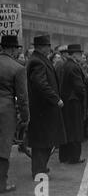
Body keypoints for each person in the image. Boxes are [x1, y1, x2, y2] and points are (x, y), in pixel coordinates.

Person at [26, 35, 66, 179]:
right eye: (48, 46)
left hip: (43, 108)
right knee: (41, 142)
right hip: (42, 108)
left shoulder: (39, 60)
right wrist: (55, 99)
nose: (50, 48)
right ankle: (38, 170)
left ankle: (41, 167)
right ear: (42, 47)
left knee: (45, 141)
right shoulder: (37, 62)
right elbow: (40, 84)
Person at [0, 36, 29, 193]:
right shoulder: (18, 68)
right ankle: (1, 184)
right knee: (3, 147)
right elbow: (23, 97)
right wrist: (25, 117)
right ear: (12, 49)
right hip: (5, 111)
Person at [59, 44, 87, 164]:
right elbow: (79, 87)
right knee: (75, 130)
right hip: (74, 102)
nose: (81, 56)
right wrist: (84, 96)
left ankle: (64, 156)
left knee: (67, 129)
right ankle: (74, 157)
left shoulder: (65, 65)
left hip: (66, 101)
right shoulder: (74, 67)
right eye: (80, 53)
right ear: (75, 54)